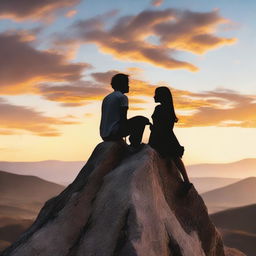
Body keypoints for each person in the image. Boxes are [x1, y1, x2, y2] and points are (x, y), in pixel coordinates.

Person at [149, 86, 192, 188]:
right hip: (168, 137)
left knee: (174, 157)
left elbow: (159, 127)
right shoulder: (169, 110)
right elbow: (166, 127)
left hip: (159, 138)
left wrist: (153, 128)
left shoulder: (159, 109)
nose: (154, 96)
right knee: (176, 157)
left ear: (161, 96)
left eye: (156, 94)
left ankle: (186, 182)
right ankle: (186, 181)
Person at [100, 73, 149, 148]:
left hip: (104, 135)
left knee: (139, 120)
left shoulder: (107, 98)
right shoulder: (122, 97)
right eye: (127, 83)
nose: (128, 86)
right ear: (122, 85)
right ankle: (134, 145)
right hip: (114, 133)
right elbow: (123, 118)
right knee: (141, 119)